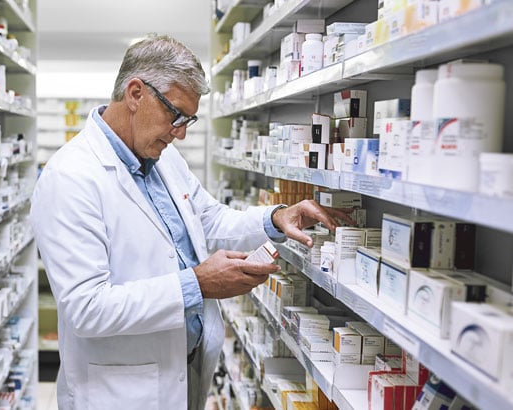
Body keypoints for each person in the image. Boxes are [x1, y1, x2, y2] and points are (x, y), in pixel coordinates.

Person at [29, 34, 354, 410]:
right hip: (121, 391)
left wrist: (275, 218)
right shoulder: (70, 177)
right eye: (176, 115)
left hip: (185, 372)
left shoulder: (162, 158)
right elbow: (87, 308)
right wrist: (196, 285)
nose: (181, 132)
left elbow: (209, 219)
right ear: (136, 93)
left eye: (190, 120)